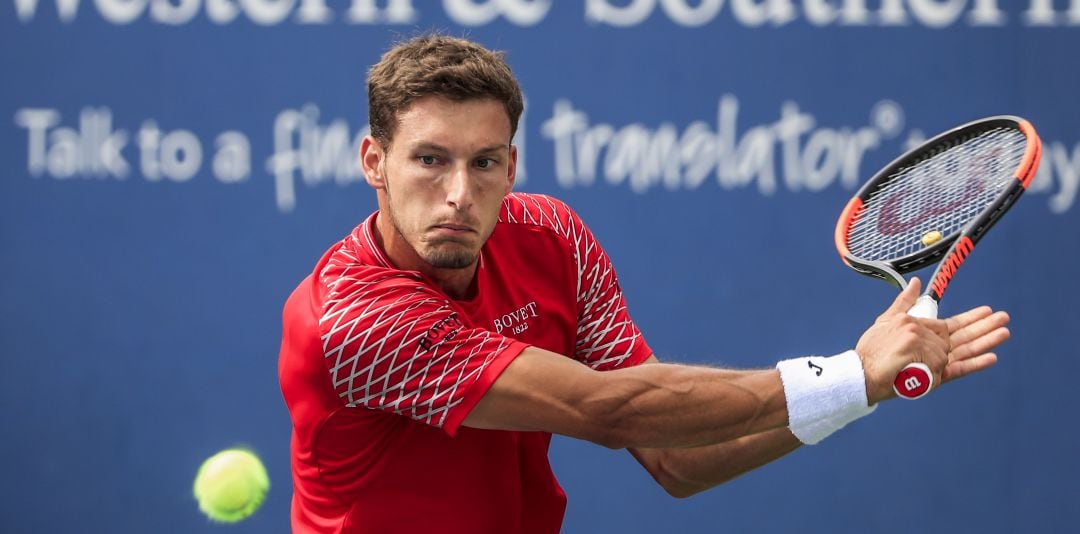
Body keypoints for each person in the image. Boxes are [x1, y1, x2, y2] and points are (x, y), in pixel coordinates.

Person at [277, 34, 1010, 534]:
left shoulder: (551, 237)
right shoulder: (353, 319)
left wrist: (864, 389)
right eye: (429, 160)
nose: (459, 193)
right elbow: (612, 412)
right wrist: (849, 370)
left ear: (513, 166)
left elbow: (677, 458)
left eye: (485, 162)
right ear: (374, 161)